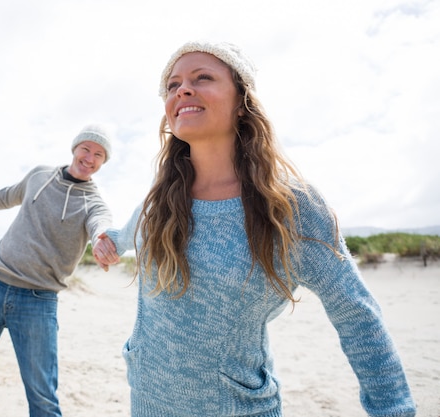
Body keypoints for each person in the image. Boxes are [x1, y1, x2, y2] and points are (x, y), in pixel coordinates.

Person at [93, 41, 416, 417]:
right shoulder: (158, 201)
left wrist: (394, 410)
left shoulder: (291, 207)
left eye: (203, 78)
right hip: (146, 401)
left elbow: (358, 316)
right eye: (172, 85)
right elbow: (126, 235)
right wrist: (108, 244)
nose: (182, 89)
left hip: (235, 408)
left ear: (242, 101)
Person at [0, 124, 114, 417]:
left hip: (37, 301)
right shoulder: (40, 175)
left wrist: (101, 240)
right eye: (86, 148)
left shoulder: (93, 203)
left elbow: (101, 223)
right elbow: (5, 196)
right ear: (75, 148)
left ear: (102, 163)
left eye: (99, 154)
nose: (90, 157)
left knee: (43, 401)